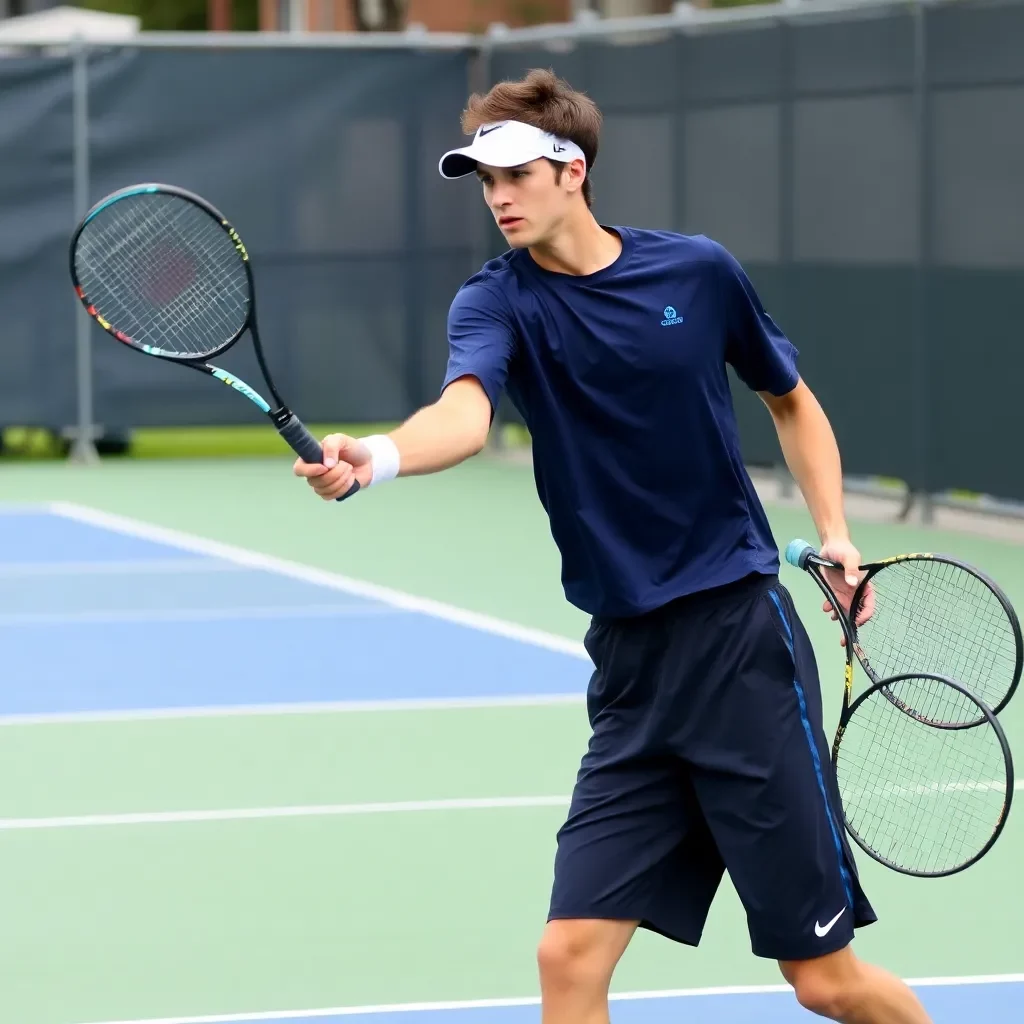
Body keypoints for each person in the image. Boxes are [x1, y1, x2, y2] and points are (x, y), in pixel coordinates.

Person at [292, 69, 933, 1024]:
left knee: (824, 981)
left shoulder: (697, 273)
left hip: (737, 647)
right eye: (485, 181)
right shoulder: (495, 301)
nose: (498, 197)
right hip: (631, 668)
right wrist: (378, 457)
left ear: (572, 170)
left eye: (516, 175)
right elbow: (464, 414)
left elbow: (791, 400)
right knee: (569, 957)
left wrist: (836, 534)